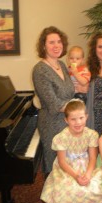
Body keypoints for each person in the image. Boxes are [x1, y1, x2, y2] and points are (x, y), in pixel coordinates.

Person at [40, 99, 102, 203]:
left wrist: (88, 174)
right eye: (73, 119)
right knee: (69, 190)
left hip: (87, 166)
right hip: (67, 168)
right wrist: (76, 176)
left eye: (81, 118)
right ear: (66, 120)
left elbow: (93, 158)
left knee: (92, 188)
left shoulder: (92, 134)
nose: (78, 122)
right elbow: (62, 162)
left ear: (86, 117)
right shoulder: (61, 137)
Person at [32, 26, 75, 177]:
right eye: (51, 42)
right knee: (55, 170)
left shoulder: (61, 65)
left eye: (59, 42)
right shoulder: (40, 70)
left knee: (71, 166)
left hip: (69, 121)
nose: (56, 46)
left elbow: (69, 91)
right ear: (43, 46)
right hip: (53, 124)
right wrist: (79, 108)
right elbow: (54, 104)